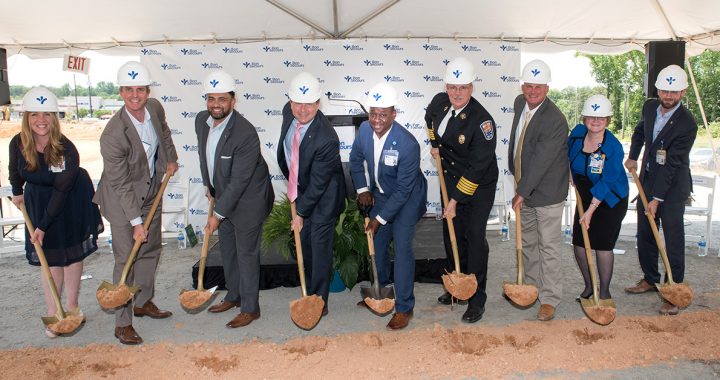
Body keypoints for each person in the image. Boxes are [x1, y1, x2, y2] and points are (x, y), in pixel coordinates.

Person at [93, 61, 179, 345]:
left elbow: (164, 132)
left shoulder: (154, 108)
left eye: (140, 89)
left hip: (151, 189)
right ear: (120, 92)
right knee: (126, 259)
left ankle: (143, 301)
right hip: (122, 202)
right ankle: (122, 322)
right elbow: (119, 183)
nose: (135, 95)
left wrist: (170, 157)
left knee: (151, 249)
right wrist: (135, 221)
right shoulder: (113, 135)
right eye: (129, 90)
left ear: (147, 90)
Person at [9, 87, 103, 338]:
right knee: (49, 260)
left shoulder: (66, 149)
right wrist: (18, 191)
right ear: (27, 117)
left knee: (72, 253)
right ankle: (54, 310)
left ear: (55, 117)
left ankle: (71, 307)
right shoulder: (18, 142)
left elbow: (61, 191)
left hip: (70, 199)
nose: (41, 120)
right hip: (38, 200)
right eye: (35, 115)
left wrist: (42, 226)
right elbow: (14, 169)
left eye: (47, 114)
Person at [195, 70, 274, 327]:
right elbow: (205, 157)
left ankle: (251, 308)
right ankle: (234, 294)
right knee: (227, 249)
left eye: (222, 99)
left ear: (233, 100)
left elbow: (240, 181)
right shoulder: (201, 121)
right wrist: (210, 186)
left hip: (249, 199)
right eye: (211, 98)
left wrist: (217, 215)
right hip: (224, 195)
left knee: (246, 254)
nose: (216, 104)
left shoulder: (245, 133)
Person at [424, 57, 499, 323]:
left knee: (474, 238)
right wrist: (434, 144)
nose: (457, 93)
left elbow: (477, 169)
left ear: (472, 88)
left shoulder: (482, 122)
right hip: (451, 178)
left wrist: (454, 200)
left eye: (463, 88)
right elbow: (429, 119)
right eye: (453, 87)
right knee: (451, 234)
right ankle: (457, 287)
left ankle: (476, 297)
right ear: (446, 86)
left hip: (477, 186)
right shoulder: (439, 103)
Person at [350, 83, 427, 330]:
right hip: (382, 193)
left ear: (394, 114)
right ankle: (381, 293)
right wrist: (363, 189)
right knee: (377, 243)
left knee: (402, 247)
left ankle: (404, 307)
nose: (377, 120)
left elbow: (403, 191)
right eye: (373, 113)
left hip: (407, 197)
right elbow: (355, 160)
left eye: (383, 114)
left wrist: (379, 218)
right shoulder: (363, 130)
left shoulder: (407, 144)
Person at [624, 64, 698, 316]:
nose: (668, 96)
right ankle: (650, 278)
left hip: (673, 186)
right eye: (664, 90)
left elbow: (672, 164)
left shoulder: (687, 123)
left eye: (674, 92)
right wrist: (633, 156)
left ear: (684, 92)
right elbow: (639, 132)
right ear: (657, 89)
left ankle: (673, 289)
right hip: (647, 178)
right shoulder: (649, 107)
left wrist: (657, 198)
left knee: (672, 237)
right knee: (646, 231)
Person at [277, 72, 345, 316]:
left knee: (318, 246)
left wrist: (301, 212)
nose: (302, 109)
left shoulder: (327, 139)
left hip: (324, 196)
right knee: (303, 244)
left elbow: (319, 184)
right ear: (290, 101)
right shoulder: (289, 111)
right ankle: (308, 291)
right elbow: (290, 153)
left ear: (318, 103)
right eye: (297, 103)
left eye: (309, 104)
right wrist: (294, 184)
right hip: (303, 188)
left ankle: (318, 301)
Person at [507, 59, 569, 321]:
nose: (533, 91)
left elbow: (542, 161)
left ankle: (550, 298)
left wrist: (521, 191)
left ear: (547, 88)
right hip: (526, 188)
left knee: (549, 247)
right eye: (528, 86)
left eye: (538, 87)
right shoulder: (519, 103)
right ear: (522, 86)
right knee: (528, 242)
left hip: (547, 194)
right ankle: (530, 288)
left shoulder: (555, 119)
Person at [568, 94, 629, 302]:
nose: (595, 121)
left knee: (602, 245)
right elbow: (566, 156)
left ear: (608, 120)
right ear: (584, 118)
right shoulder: (576, 134)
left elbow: (608, 181)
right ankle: (589, 286)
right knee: (579, 243)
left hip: (610, 199)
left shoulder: (613, 147)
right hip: (584, 195)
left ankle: (604, 291)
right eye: (591, 117)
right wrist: (570, 174)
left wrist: (591, 210)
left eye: (601, 118)